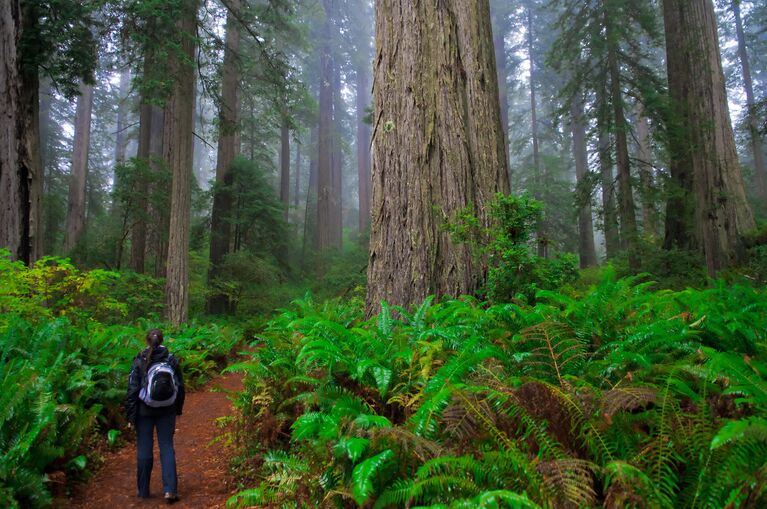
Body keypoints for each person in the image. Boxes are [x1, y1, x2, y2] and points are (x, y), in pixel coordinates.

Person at [125, 329, 185, 504]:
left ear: (147, 340)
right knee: (166, 446)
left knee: (144, 447)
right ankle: (170, 490)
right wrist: (178, 408)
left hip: (144, 410)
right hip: (167, 409)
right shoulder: (171, 358)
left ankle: (143, 490)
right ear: (162, 340)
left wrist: (131, 415)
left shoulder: (140, 359)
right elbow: (180, 386)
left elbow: (132, 389)